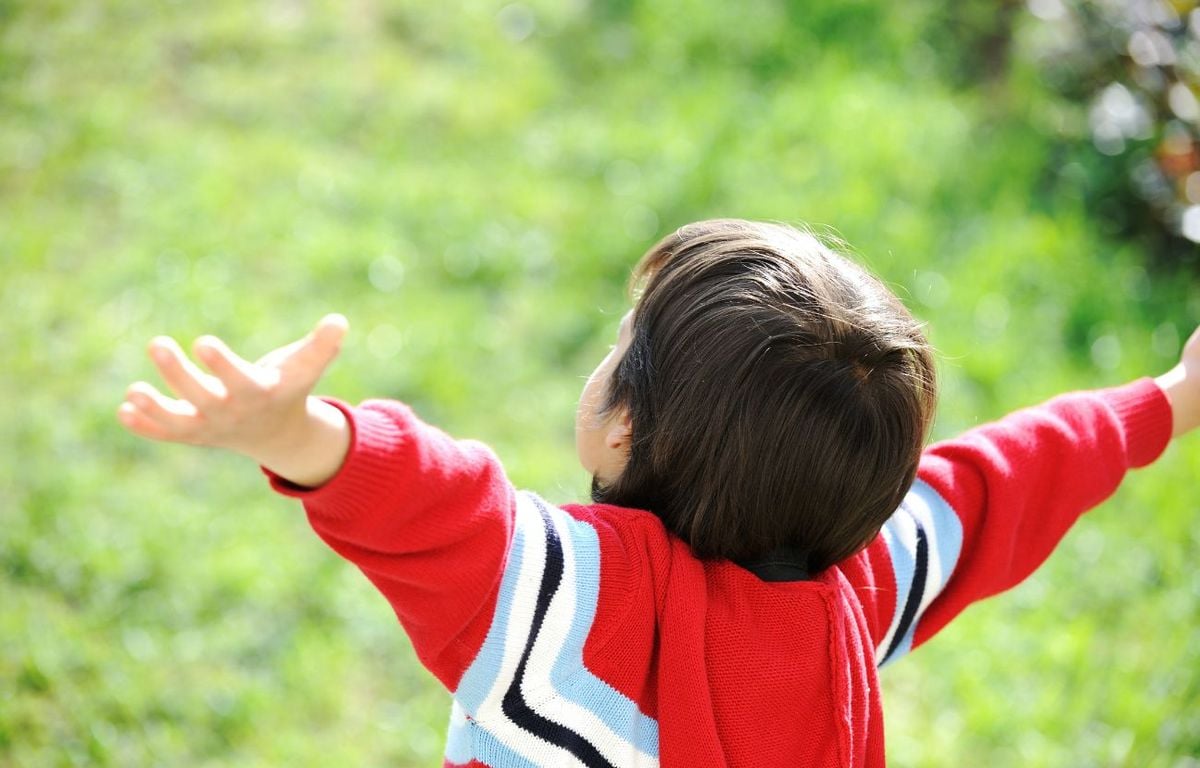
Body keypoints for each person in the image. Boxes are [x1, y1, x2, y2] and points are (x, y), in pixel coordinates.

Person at [117, 219, 1199, 767]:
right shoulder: (859, 586)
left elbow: (440, 507)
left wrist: (296, 433)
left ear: (623, 427)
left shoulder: (570, 609)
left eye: (620, 342)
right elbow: (1010, 478)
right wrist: (1171, 399)